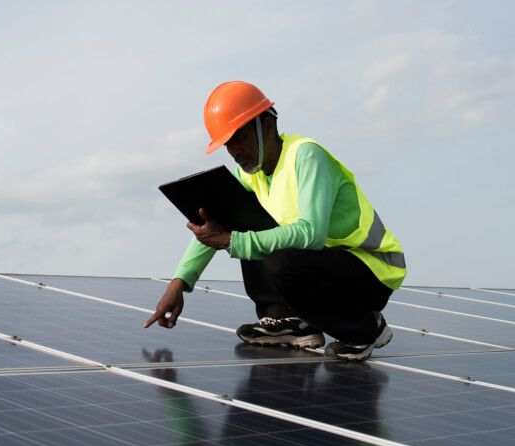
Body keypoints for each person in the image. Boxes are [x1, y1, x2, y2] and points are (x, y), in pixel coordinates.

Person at [144, 81, 407, 361]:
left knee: (274, 254)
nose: (234, 150)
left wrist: (234, 241)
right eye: (227, 143)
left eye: (239, 137)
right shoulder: (250, 173)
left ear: (267, 127)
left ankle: (366, 328)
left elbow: (312, 234)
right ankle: (288, 320)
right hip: (327, 267)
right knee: (243, 220)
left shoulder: (306, 156)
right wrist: (179, 281)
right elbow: (215, 224)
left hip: (371, 269)